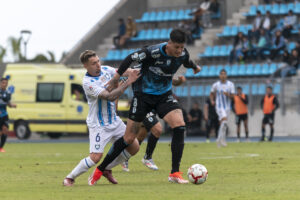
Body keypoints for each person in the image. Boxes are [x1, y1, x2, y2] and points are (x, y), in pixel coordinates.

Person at [89, 29, 201, 185]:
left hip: (164, 96)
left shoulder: (182, 54)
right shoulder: (152, 52)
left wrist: (195, 67)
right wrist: (116, 78)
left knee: (180, 125)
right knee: (129, 138)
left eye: (182, 47)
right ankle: (100, 169)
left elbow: (187, 61)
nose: (179, 51)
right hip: (143, 97)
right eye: (176, 47)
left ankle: (174, 173)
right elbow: (129, 58)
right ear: (169, 43)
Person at [63, 50, 141, 186]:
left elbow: (122, 71)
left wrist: (134, 71)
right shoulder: (88, 83)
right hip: (99, 124)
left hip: (114, 121)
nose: (98, 65)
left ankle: (106, 168)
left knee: (134, 146)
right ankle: (70, 178)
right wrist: (128, 82)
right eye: (93, 63)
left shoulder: (106, 69)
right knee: (95, 157)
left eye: (98, 61)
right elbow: (109, 96)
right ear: (86, 66)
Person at [121, 76, 187, 172]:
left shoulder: (161, 69)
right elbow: (128, 81)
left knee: (140, 136)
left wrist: (180, 81)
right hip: (143, 106)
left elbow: (173, 81)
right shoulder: (145, 69)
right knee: (157, 129)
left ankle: (125, 157)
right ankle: (147, 157)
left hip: (155, 106)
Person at [210, 69, 235, 147]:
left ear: (226, 75)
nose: (223, 75)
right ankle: (218, 139)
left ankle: (223, 139)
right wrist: (212, 101)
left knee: (224, 124)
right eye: (221, 74)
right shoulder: (216, 85)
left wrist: (228, 94)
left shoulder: (231, 84)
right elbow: (211, 93)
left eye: (224, 74)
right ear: (219, 75)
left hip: (227, 107)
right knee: (224, 121)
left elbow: (233, 96)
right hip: (219, 106)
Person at [0, 78, 16, 152]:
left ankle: (1, 148)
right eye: (3, 83)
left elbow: (7, 103)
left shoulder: (7, 93)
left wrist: (12, 105)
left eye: (6, 83)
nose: (4, 84)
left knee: (5, 130)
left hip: (4, 114)